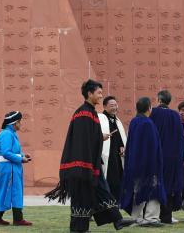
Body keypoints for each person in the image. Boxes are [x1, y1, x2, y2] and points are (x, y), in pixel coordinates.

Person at [45, 79, 135, 232]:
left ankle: (109, 222)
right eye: (99, 93)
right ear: (89, 93)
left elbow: (89, 137)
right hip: (82, 165)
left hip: (87, 164)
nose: (101, 96)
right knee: (86, 196)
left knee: (89, 195)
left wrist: (100, 137)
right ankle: (109, 221)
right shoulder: (84, 113)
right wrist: (89, 161)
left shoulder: (89, 112)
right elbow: (82, 140)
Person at [119, 97, 166, 227]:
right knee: (154, 190)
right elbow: (152, 147)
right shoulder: (148, 124)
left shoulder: (134, 122)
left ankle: (136, 218)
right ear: (149, 108)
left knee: (138, 190)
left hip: (135, 163)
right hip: (149, 164)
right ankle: (151, 218)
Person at [149, 90, 184, 224]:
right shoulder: (175, 115)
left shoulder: (153, 113)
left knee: (155, 184)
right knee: (169, 186)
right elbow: (181, 139)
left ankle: (152, 216)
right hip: (172, 158)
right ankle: (166, 217)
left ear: (158, 99)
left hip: (157, 156)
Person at [0, 110, 32, 226]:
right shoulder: (7, 134)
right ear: (14, 123)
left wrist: (23, 156)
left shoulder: (10, 134)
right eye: (20, 122)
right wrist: (20, 159)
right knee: (6, 192)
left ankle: (15, 218)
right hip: (9, 169)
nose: (21, 124)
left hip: (12, 168)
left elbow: (14, 151)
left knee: (14, 192)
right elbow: (5, 152)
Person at [99, 96, 127, 202]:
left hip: (117, 156)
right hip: (106, 155)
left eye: (116, 105)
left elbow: (121, 137)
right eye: (111, 105)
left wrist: (122, 146)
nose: (114, 107)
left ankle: (115, 204)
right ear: (105, 106)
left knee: (118, 180)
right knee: (109, 180)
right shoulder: (101, 119)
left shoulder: (117, 120)